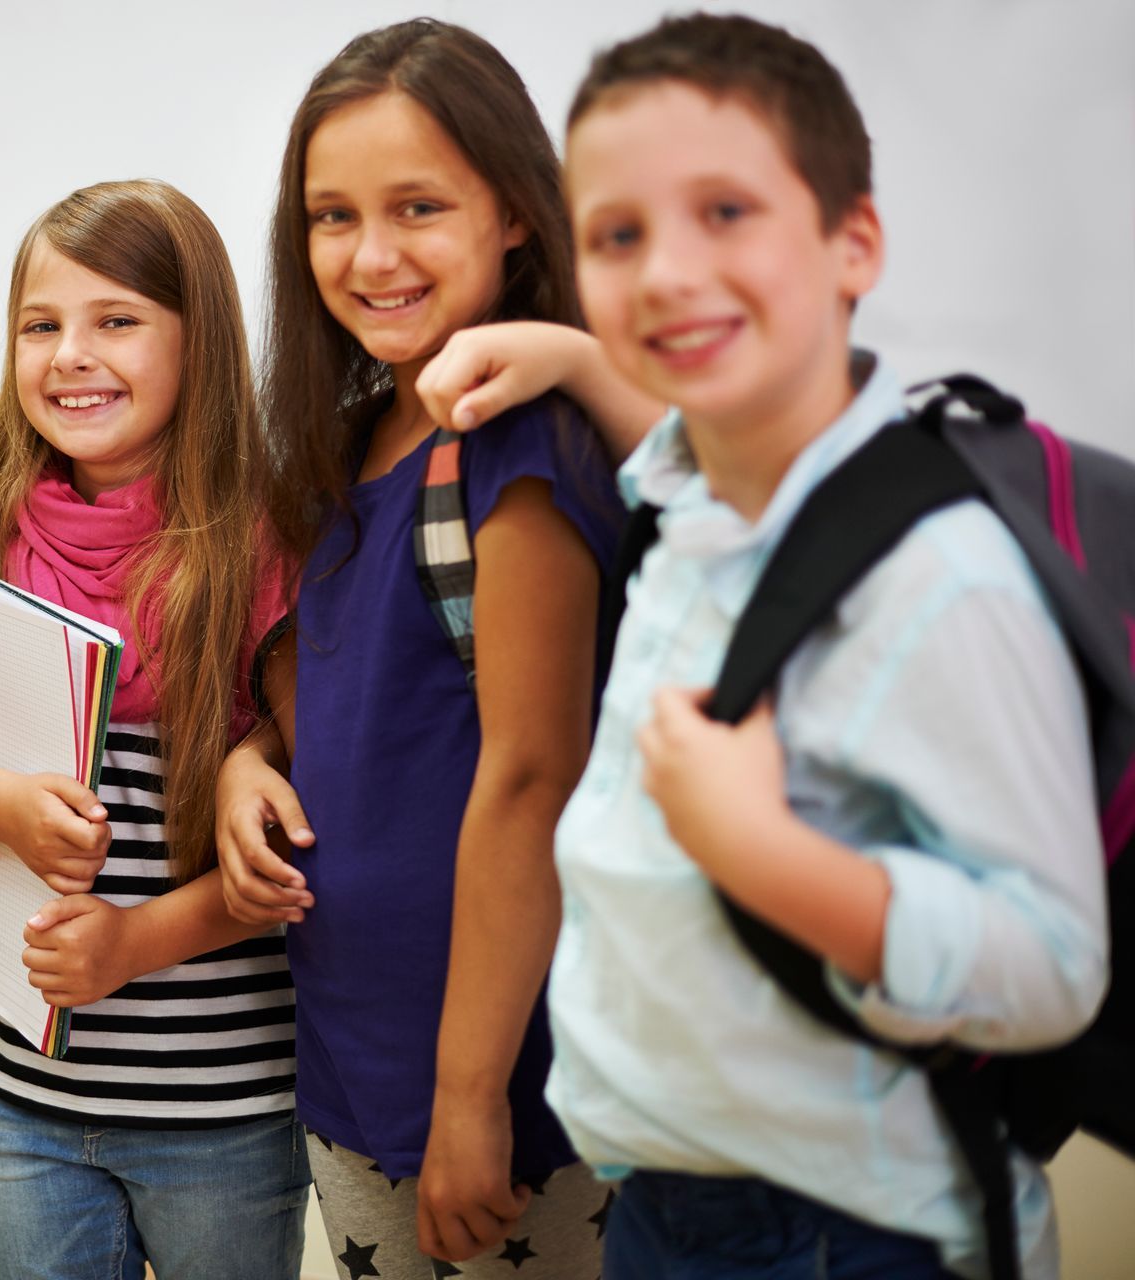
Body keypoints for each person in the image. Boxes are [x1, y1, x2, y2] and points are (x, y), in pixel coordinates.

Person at [546, 14, 1105, 1278]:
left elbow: (1053, 964)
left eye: (726, 212)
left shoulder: (935, 575)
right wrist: (559, 357)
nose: (668, 273)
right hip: (664, 1209)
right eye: (617, 235)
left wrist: (760, 851)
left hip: (842, 1233)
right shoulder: (690, 505)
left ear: (854, 240)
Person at [215, 20, 634, 1279]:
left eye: (417, 207)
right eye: (333, 215)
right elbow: (343, 699)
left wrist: (470, 1099)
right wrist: (248, 761)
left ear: (513, 212)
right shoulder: (350, 441)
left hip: (497, 1087)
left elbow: (527, 774)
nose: (372, 253)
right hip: (355, 1055)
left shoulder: (519, 444)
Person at [0, 179, 305, 1280]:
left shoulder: (266, 548)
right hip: (23, 1098)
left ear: (198, 342)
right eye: (40, 325)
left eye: (116, 320)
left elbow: (300, 846)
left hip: (222, 1108)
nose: (71, 353)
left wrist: (129, 944)